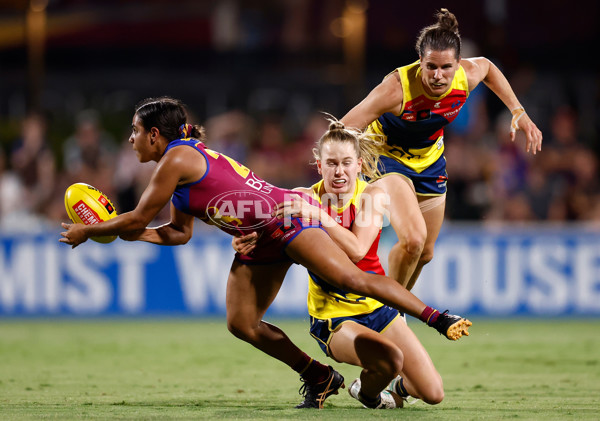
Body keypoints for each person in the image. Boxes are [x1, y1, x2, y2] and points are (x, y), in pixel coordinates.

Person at [59, 96, 470, 409]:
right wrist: (133, 235)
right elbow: (177, 233)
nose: (130, 139)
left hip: (284, 218)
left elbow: (136, 218)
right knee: (241, 323)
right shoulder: (182, 163)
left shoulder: (177, 157)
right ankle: (319, 376)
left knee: (353, 276)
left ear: (154, 134)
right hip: (261, 235)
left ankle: (437, 316)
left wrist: (91, 230)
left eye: (134, 131)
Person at [234, 118, 445, 409]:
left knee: (433, 393)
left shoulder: (371, 196)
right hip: (334, 317)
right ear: (319, 166)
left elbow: (357, 250)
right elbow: (263, 227)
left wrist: (319, 216)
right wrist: (247, 239)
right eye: (331, 163)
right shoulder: (304, 198)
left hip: (377, 309)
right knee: (388, 360)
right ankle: (370, 394)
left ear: (359, 165)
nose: (339, 171)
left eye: (346, 163)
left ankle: (379, 386)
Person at [340, 8, 543, 291]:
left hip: (430, 161)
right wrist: (340, 170)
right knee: (412, 240)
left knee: (425, 252)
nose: (438, 75)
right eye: (431, 67)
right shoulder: (395, 89)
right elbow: (342, 128)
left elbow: (488, 67)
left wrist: (517, 110)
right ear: (420, 62)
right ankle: (387, 313)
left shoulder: (467, 75)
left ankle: (389, 310)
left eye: (446, 67)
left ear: (458, 64)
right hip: (387, 158)